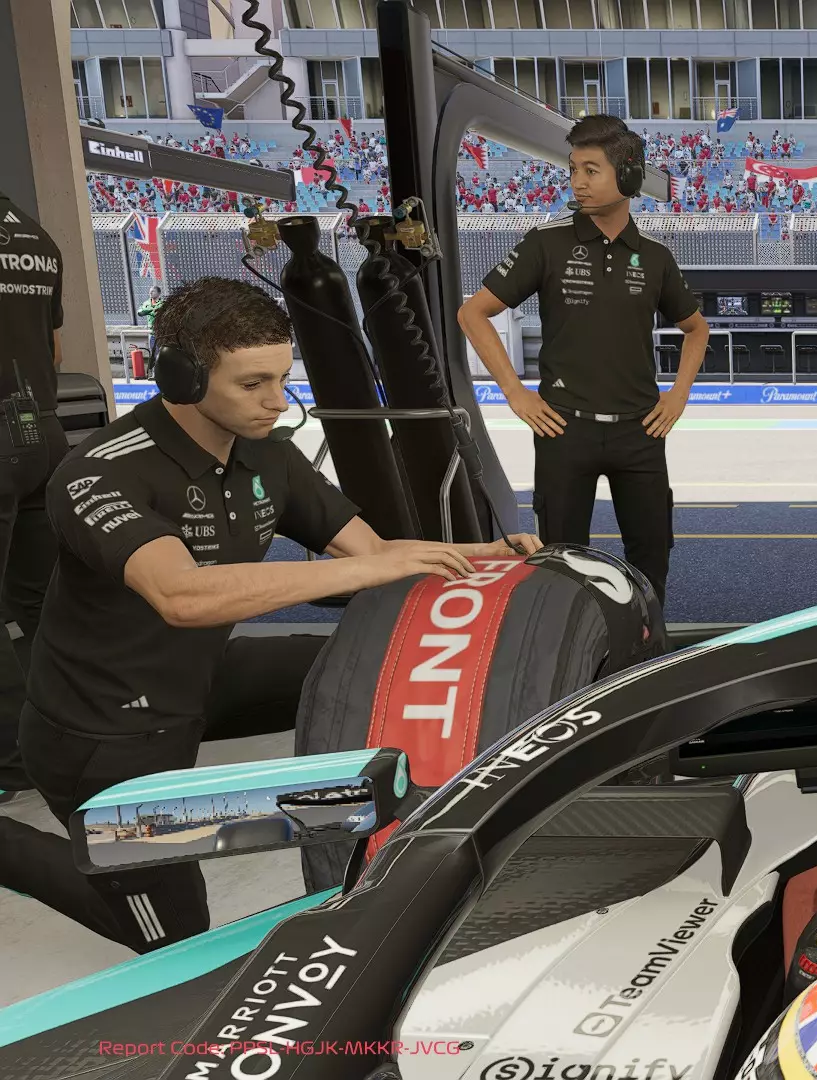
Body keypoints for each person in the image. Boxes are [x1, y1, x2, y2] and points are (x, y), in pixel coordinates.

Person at [0, 276, 539, 952]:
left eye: (283, 378)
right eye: (253, 384)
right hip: (102, 728)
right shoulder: (99, 473)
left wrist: (483, 555)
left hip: (204, 677)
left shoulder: (266, 454)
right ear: (183, 378)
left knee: (379, 668)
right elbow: (182, 596)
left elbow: (373, 553)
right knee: (173, 939)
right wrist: (360, 572)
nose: (278, 402)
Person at [461, 115, 708, 606]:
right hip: (563, 431)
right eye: (573, 169)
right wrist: (515, 393)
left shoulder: (655, 256)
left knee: (651, 559)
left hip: (640, 433)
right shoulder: (545, 242)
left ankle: (647, 642)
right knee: (559, 566)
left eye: (591, 170)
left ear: (629, 174)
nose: (578, 182)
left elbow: (696, 329)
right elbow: (473, 313)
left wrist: (678, 396)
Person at [0, 188, 70, 801]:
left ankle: (8, 761)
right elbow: (53, 348)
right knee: (42, 600)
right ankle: (68, 731)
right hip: (42, 428)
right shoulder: (36, 238)